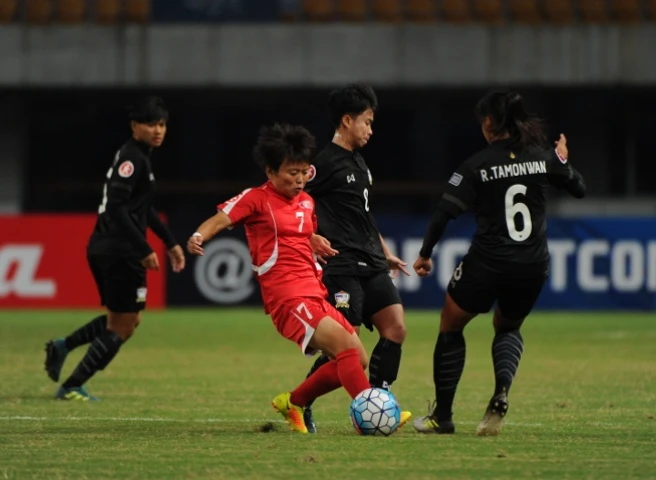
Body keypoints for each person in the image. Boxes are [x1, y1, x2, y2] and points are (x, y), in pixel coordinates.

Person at [412, 90, 586, 436]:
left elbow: (444, 213)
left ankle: (443, 416)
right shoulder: (542, 157)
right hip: (532, 264)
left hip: (488, 261)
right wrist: (562, 160)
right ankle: (501, 392)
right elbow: (579, 188)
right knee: (507, 327)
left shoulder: (476, 165)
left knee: (451, 323)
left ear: (489, 122)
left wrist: (425, 253)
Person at [186, 123, 376, 434]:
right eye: (292, 173)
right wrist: (198, 236)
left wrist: (312, 239)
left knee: (358, 357)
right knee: (345, 349)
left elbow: (298, 232)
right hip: (288, 298)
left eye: (304, 172)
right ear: (271, 172)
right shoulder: (256, 199)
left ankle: (294, 402)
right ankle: (372, 414)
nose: (300, 179)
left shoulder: (306, 202)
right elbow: (221, 219)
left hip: (315, 293)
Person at [44, 96, 186, 401]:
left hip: (110, 246)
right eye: (151, 124)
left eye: (162, 124)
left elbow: (141, 208)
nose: (158, 130)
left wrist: (169, 241)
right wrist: (143, 248)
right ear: (135, 126)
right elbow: (116, 208)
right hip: (119, 249)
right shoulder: (132, 159)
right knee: (122, 326)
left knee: (127, 319)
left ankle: (62, 346)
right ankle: (71, 386)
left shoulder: (138, 156)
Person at [300, 83, 411, 433]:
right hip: (342, 264)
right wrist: (310, 236)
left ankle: (379, 401)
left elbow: (363, 215)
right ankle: (301, 401)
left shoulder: (359, 163)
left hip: (372, 262)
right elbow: (294, 201)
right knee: (346, 350)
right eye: (367, 122)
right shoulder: (322, 164)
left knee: (396, 328)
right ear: (347, 121)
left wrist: (385, 253)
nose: (370, 130)